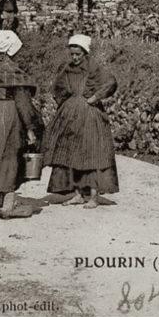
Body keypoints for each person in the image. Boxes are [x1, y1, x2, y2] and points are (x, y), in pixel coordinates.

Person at [43, 34, 119, 208]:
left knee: (91, 154)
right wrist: (65, 104)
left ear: (85, 53)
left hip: (89, 115)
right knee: (72, 154)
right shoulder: (67, 68)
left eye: (78, 54)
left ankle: (93, 196)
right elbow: (57, 88)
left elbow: (110, 83)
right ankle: (77, 193)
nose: (75, 57)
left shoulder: (94, 68)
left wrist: (95, 97)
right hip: (70, 115)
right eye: (73, 54)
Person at [0, 30, 44, 219]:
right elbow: (22, 102)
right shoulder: (13, 72)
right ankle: (8, 205)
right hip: (11, 114)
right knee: (12, 156)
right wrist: (31, 128)